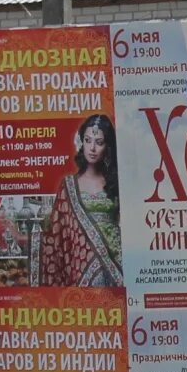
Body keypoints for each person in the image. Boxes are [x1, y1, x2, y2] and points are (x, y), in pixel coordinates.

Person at [39, 114, 122, 288]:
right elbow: (56, 234)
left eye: (99, 142)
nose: (92, 148)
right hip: (81, 265)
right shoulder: (69, 185)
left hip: (118, 262)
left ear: (107, 147)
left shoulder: (117, 182)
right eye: (87, 140)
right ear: (81, 142)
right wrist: (30, 240)